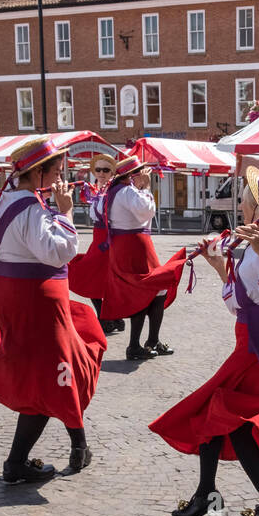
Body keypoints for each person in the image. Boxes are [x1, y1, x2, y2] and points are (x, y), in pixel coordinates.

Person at [150, 168, 259, 516]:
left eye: (244, 198)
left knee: (230, 420)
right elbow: (244, 298)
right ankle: (210, 495)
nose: (239, 202)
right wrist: (218, 264)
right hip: (252, 343)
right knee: (216, 414)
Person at [0, 136, 107, 484]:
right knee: (52, 371)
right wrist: (67, 213)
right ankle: (24, 460)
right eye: (55, 171)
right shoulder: (30, 207)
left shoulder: (8, 200)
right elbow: (58, 253)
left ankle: (75, 444)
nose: (59, 178)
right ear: (37, 173)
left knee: (53, 366)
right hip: (36, 298)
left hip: (13, 292)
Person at [97, 153, 180, 361]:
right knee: (148, 290)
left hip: (128, 244)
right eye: (140, 172)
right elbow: (146, 211)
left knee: (154, 290)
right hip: (134, 245)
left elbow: (98, 213)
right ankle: (137, 344)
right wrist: (144, 187)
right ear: (132, 175)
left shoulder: (115, 191)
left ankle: (150, 340)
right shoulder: (127, 192)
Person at [67, 153, 123, 335]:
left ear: (113, 172)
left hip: (109, 240)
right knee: (94, 278)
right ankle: (109, 317)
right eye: (97, 169)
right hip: (98, 239)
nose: (101, 173)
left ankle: (109, 317)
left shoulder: (115, 190)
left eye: (105, 170)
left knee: (98, 278)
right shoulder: (97, 190)